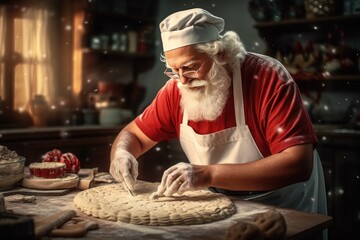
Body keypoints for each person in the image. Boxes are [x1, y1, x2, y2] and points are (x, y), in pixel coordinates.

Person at [109, 8, 327, 217]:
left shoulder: (268, 77)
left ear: (220, 54)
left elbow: (298, 163)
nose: (183, 80)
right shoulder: (176, 90)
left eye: (191, 66)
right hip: (221, 208)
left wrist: (208, 174)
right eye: (174, 71)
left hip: (284, 205)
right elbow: (134, 135)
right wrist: (122, 153)